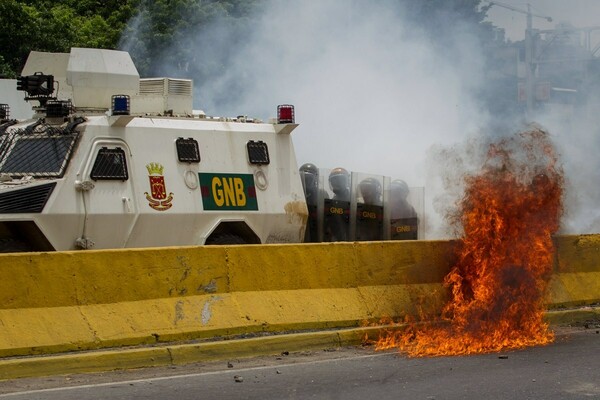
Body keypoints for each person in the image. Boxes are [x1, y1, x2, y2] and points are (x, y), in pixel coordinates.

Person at [324, 167, 351, 241]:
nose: (336, 183)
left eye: (339, 180)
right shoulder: (331, 202)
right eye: (334, 181)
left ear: (346, 181)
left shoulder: (354, 201)